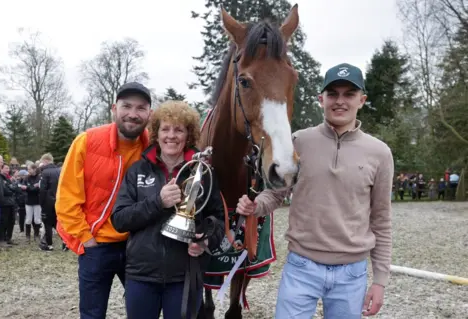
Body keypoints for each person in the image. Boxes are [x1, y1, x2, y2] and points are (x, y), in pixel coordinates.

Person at [237, 63, 394, 318]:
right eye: (332, 94)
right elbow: (276, 194)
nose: (340, 101)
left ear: (362, 100)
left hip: (351, 273)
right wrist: (256, 206)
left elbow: (381, 220)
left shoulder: (380, 153)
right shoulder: (298, 141)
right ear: (321, 99)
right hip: (301, 267)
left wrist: (380, 281)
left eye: (349, 94)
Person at [111, 100, 225, 319]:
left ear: (188, 135)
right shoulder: (137, 170)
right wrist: (157, 202)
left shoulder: (203, 172)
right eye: (165, 129)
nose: (171, 136)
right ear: (156, 133)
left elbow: (218, 219)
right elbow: (120, 219)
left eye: (178, 130)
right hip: (141, 275)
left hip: (185, 277)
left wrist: (205, 241)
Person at [55, 82, 152, 319]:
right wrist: (86, 239)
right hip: (97, 245)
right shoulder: (86, 141)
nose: (132, 114)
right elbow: (66, 199)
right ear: (114, 108)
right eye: (126, 106)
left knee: (143, 312)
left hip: (136, 246)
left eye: (140, 108)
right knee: (92, 314)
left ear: (150, 113)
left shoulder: (154, 148)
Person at [38, 153, 61, 251]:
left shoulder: (45, 172)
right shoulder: (59, 171)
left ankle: (49, 244)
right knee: (57, 222)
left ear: (45, 161)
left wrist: (41, 202)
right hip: (59, 200)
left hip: (48, 202)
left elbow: (43, 189)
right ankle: (66, 242)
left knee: (47, 223)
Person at [21, 163, 42, 242]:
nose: (28, 170)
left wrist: (28, 188)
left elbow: (37, 189)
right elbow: (22, 187)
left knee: (37, 219)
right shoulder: (26, 178)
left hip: (37, 201)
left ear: (34, 169)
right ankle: (28, 236)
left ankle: (37, 235)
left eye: (29, 169)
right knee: (28, 219)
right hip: (28, 201)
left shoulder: (39, 178)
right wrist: (32, 187)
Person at [0, 163, 17, 245]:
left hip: (11, 202)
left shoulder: (8, 178)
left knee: (11, 221)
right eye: (6, 168)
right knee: (3, 221)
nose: (8, 170)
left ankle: (9, 238)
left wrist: (11, 189)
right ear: (1, 169)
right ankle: (2, 239)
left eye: (8, 168)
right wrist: (11, 189)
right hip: (4, 203)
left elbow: (15, 188)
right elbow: (5, 190)